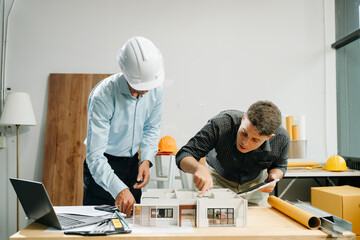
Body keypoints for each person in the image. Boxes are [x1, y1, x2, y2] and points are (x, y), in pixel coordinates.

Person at [83, 36, 164, 216]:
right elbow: (94, 157)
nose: (145, 91)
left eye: (148, 86)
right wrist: (118, 188)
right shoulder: (102, 96)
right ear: (126, 74)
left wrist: (146, 160)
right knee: (97, 227)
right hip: (102, 165)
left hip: (132, 165)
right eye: (138, 86)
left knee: (133, 227)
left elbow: (152, 127)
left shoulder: (156, 88)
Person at [176, 101, 290, 206]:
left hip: (255, 186)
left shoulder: (282, 138)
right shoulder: (221, 124)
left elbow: (280, 166)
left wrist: (274, 177)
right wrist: (198, 168)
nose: (245, 142)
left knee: (257, 223)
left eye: (255, 140)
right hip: (217, 179)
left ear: (269, 137)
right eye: (244, 133)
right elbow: (184, 154)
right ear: (244, 118)